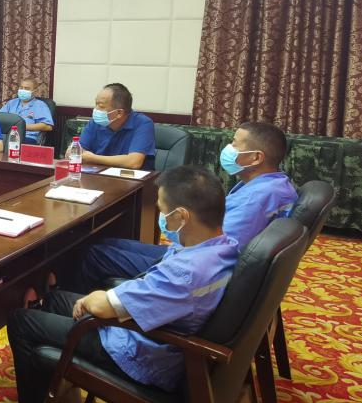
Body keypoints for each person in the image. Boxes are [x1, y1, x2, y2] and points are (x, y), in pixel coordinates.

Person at [0, 166, 240, 403]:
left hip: (143, 351)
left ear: (182, 217)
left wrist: (97, 298)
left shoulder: (187, 273)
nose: (161, 217)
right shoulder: (222, 248)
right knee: (55, 300)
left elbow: (103, 307)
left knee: (21, 321)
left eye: (163, 211)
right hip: (157, 334)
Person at [74, 121, 296, 291]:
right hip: (190, 256)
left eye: (235, 143)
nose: (228, 147)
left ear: (255, 158)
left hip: (192, 267)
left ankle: (77, 313)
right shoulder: (273, 185)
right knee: (107, 242)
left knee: (94, 254)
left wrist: (177, 224)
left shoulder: (258, 198)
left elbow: (218, 248)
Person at [77, 83, 156, 170]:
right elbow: (76, 152)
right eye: (96, 104)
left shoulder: (143, 123)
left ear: (119, 113)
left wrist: (93, 158)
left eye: (101, 106)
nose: (95, 109)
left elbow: (133, 162)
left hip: (130, 177)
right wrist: (73, 152)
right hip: (98, 175)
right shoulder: (95, 122)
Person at [0, 77, 54, 143]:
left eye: (27, 88)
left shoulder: (40, 105)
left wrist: (23, 127)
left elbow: (48, 126)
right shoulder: (12, 103)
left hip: (27, 137)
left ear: (35, 91)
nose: (23, 90)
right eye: (21, 88)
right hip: (7, 135)